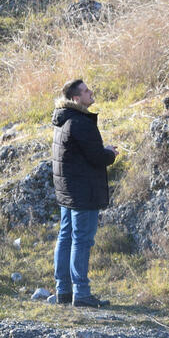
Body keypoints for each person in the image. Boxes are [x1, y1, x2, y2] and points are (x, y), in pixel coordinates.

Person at [50, 78, 118, 307]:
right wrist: (109, 152)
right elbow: (97, 157)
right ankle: (81, 293)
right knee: (81, 240)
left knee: (66, 237)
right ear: (76, 98)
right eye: (87, 91)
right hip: (82, 191)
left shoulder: (63, 120)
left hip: (67, 190)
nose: (91, 92)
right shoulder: (80, 122)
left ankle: (63, 291)